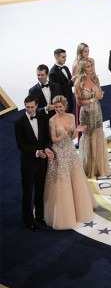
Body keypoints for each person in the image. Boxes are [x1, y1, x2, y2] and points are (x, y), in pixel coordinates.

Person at [43, 95, 97, 230]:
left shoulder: (72, 117)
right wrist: (66, 134)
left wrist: (74, 132)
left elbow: (73, 137)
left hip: (70, 150)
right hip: (59, 153)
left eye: (60, 107)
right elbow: (54, 139)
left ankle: (79, 209)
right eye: (55, 107)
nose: (58, 109)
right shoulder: (52, 120)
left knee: (76, 178)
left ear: (65, 106)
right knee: (63, 181)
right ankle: (65, 214)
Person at [15, 95, 54, 232]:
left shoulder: (43, 119)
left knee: (40, 190)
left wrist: (47, 148)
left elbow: (46, 139)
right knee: (27, 192)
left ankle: (39, 216)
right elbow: (21, 145)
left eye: (32, 107)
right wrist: (37, 152)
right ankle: (28, 220)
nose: (30, 110)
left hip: (42, 162)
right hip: (28, 163)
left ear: (37, 106)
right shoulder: (19, 122)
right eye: (27, 107)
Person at [75, 59, 111, 178]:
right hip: (86, 114)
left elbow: (99, 94)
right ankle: (88, 168)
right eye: (87, 67)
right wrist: (93, 99)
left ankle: (98, 167)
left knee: (98, 135)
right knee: (89, 137)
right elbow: (80, 102)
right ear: (82, 69)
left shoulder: (96, 79)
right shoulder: (78, 83)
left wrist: (100, 96)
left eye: (91, 66)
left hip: (97, 111)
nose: (90, 69)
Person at [72, 42, 95, 139]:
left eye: (88, 51)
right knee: (82, 117)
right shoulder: (76, 63)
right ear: (80, 52)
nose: (87, 53)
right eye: (85, 51)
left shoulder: (91, 60)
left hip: (91, 91)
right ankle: (82, 138)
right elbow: (73, 79)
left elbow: (94, 75)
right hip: (82, 92)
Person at [49, 48, 76, 113]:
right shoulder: (53, 72)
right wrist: (71, 81)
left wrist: (75, 80)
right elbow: (58, 90)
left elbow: (70, 84)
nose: (65, 59)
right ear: (56, 57)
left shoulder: (66, 68)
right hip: (61, 105)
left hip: (70, 102)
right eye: (63, 57)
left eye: (65, 56)